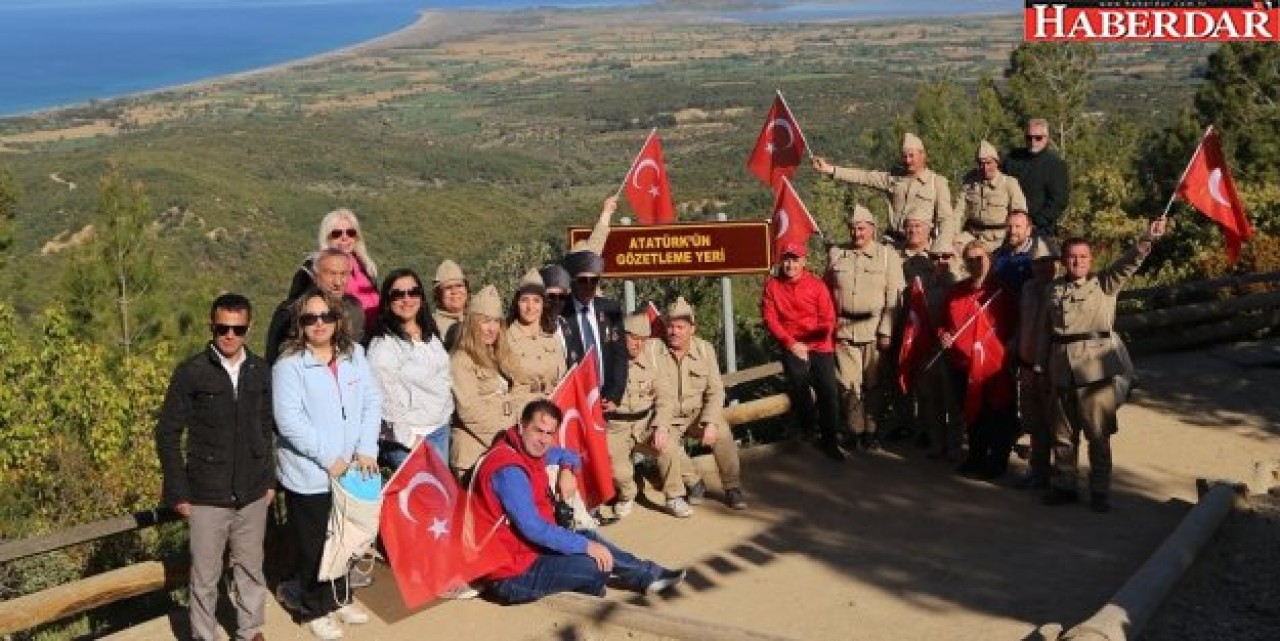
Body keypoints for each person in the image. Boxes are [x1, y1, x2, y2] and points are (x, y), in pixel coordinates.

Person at [471, 399, 686, 604]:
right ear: (522, 427)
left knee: (586, 537)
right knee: (594, 562)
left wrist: (567, 470)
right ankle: (593, 584)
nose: (543, 439)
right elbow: (533, 529)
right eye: (538, 430)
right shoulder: (509, 469)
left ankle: (648, 576)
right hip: (511, 574)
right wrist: (585, 547)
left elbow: (569, 455)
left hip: (527, 552)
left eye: (549, 433)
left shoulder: (528, 450)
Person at [155, 294, 274, 641]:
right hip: (206, 494)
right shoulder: (191, 372)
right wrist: (178, 490)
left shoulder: (261, 370)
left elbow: (266, 428)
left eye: (237, 329)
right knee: (205, 577)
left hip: (252, 492)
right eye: (223, 327)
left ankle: (251, 631)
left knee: (251, 569)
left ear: (248, 328)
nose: (230, 335)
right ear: (212, 326)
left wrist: (269, 481)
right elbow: (167, 433)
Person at [272, 288, 380, 640]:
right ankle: (312, 608)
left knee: (345, 539)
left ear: (337, 319)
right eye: (309, 318)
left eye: (325, 316)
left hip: (352, 467)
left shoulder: (354, 355)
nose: (318, 324)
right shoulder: (288, 366)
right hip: (311, 473)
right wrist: (328, 458)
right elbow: (288, 421)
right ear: (299, 325)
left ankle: (338, 597)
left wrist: (366, 448)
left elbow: (370, 401)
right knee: (315, 542)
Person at [1041, 216, 1167, 513]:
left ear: (1091, 259)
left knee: (1098, 435)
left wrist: (1147, 239)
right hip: (1060, 366)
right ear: (1063, 260)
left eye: (1083, 257)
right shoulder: (1053, 289)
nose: (1077, 262)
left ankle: (1099, 491)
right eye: (1072, 257)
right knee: (1062, 434)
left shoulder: (1104, 284)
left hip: (1095, 369)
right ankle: (1065, 485)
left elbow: (1128, 263)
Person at [652, 297, 747, 510]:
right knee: (664, 444)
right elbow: (660, 397)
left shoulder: (705, 350)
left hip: (698, 414)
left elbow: (715, 391)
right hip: (670, 417)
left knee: (722, 433)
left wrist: (711, 422)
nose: (674, 331)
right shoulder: (655, 352)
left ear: (692, 328)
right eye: (670, 326)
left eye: (680, 327)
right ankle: (694, 482)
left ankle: (732, 487)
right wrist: (661, 426)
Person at [824, 204, 905, 451]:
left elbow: (895, 296)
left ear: (872, 229)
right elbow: (825, 291)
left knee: (875, 385)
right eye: (852, 228)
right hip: (845, 331)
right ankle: (854, 431)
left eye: (861, 228)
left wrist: (887, 330)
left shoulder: (887, 255)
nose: (856, 233)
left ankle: (871, 431)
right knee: (848, 385)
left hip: (874, 330)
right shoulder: (838, 255)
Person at [941, 241, 1018, 480]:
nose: (976, 263)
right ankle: (975, 456)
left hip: (993, 366)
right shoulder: (955, 293)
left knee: (997, 414)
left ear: (989, 259)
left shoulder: (1002, 292)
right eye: (970, 259)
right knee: (973, 414)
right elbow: (943, 324)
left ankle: (997, 461)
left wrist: (1008, 352)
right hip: (962, 364)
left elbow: (1016, 326)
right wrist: (942, 335)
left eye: (980, 258)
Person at [761, 242, 843, 462]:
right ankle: (808, 429)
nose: (790, 264)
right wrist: (791, 343)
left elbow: (828, 319)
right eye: (787, 259)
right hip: (792, 343)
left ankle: (830, 441)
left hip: (819, 344)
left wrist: (809, 344)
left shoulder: (816, 286)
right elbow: (770, 318)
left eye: (795, 260)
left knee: (829, 391)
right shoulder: (773, 286)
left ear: (803, 262)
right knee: (799, 381)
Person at [606, 313, 692, 518]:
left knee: (669, 447)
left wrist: (661, 425)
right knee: (617, 469)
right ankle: (627, 495)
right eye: (633, 338)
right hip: (616, 426)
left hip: (645, 422)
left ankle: (674, 496)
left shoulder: (653, 361)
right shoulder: (607, 361)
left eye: (643, 340)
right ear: (621, 336)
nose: (638, 344)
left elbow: (665, 398)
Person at [367, 268, 453, 470]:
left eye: (413, 292)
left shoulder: (429, 334)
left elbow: (442, 377)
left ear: (421, 297)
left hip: (439, 428)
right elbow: (384, 406)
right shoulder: (383, 348)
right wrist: (411, 442)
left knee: (441, 498)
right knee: (426, 501)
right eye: (398, 294)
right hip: (409, 441)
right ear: (387, 301)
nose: (407, 299)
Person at [811, 132, 956, 241]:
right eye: (904, 156)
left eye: (912, 156)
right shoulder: (893, 179)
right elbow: (864, 177)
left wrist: (944, 244)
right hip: (893, 243)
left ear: (923, 155)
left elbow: (945, 219)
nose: (907, 160)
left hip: (921, 245)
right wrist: (830, 170)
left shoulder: (936, 182)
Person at [450, 284, 529, 476]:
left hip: (508, 443)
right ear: (473, 323)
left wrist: (519, 420)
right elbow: (470, 411)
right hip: (476, 451)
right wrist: (507, 436)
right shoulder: (461, 360)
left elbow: (522, 384)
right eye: (485, 321)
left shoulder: (502, 353)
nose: (491, 328)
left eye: (496, 322)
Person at [266, 249, 366, 365]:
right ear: (316, 275)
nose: (338, 282)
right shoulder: (291, 312)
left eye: (343, 274)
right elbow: (274, 358)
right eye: (331, 274)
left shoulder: (354, 310)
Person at [1015, 239, 1059, 489]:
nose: (1042, 267)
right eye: (1037, 263)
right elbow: (1023, 324)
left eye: (1047, 262)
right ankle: (1038, 470)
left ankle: (1061, 474)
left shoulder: (1061, 289)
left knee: (1055, 424)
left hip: (1052, 368)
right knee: (1034, 422)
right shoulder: (1027, 289)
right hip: (1027, 364)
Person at [560, 249, 627, 408]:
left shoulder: (610, 309)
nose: (589, 285)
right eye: (583, 280)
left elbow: (619, 356)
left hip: (603, 400)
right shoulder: (562, 311)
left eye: (594, 280)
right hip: (572, 400)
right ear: (573, 281)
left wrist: (615, 395)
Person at [1003, 118, 1070, 237]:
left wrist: (1034, 222)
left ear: (1047, 138)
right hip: (1008, 227)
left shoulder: (1055, 164)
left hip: (1039, 230)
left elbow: (1058, 201)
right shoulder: (1012, 159)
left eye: (1038, 138)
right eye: (1029, 137)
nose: (1033, 142)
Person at [505, 268, 567, 397]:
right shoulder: (506, 339)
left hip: (553, 408)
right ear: (517, 303)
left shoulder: (552, 339)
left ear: (544, 304)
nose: (530, 307)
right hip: (521, 411)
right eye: (525, 300)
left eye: (536, 301)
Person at [318, 208, 380, 334]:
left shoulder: (365, 267)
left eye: (350, 232)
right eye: (337, 234)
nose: (344, 237)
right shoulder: (316, 269)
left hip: (373, 337)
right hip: (345, 339)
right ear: (326, 238)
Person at [957, 140, 1027, 248]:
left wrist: (1013, 239)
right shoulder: (969, 182)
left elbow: (1019, 215)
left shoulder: (1009, 183)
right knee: (951, 249)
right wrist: (951, 234)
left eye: (988, 163)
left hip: (999, 239)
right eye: (981, 164)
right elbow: (958, 211)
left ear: (996, 162)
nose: (985, 168)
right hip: (973, 234)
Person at [992, 210, 1037, 297]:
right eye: (1009, 226)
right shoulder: (998, 253)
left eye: (1018, 227)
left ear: (1028, 230)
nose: (1012, 231)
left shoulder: (1037, 257)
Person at [433, 259, 469, 350]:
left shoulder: (478, 320)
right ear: (439, 294)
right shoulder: (431, 326)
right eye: (448, 288)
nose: (455, 291)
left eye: (459, 285)